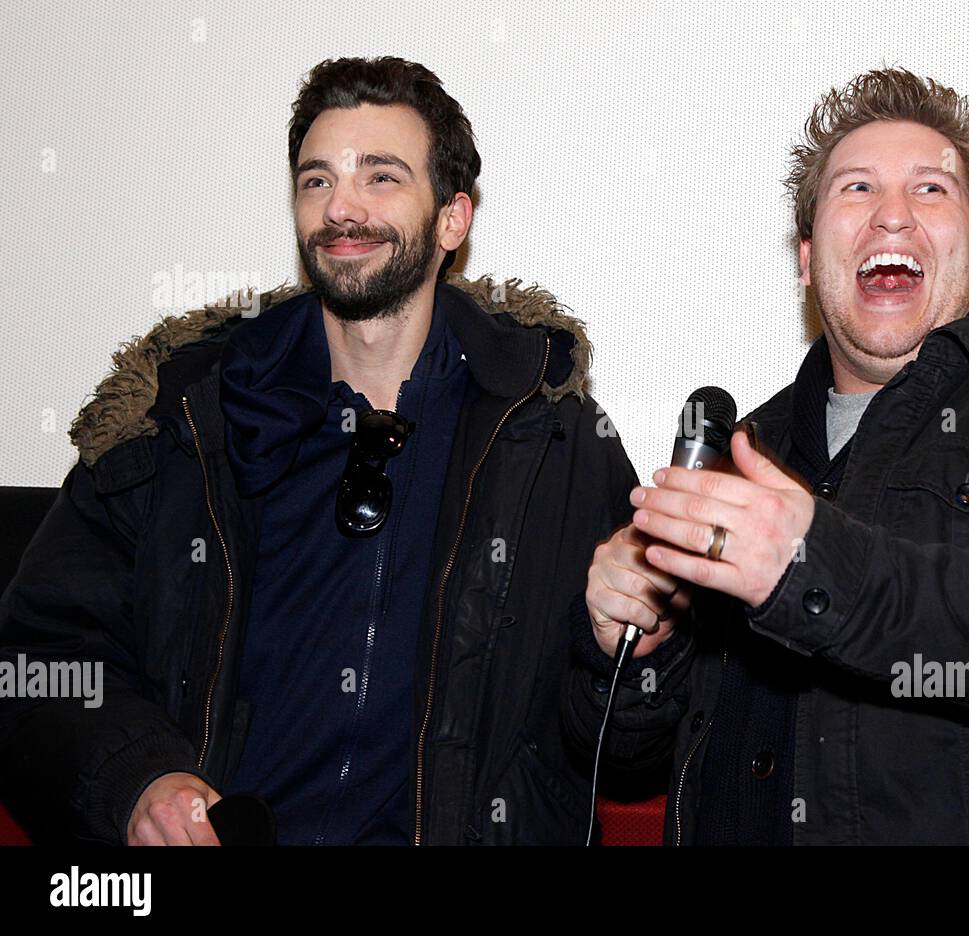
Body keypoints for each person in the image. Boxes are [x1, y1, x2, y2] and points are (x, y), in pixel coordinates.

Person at [564, 66, 969, 845]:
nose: (892, 218)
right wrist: (633, 647)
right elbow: (630, 760)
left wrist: (818, 569)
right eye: (857, 189)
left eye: (932, 191)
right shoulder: (748, 456)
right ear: (808, 259)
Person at [0, 56, 638, 845]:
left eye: (381, 177)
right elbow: (39, 662)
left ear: (452, 220)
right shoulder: (180, 420)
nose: (341, 208)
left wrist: (637, 652)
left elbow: (625, 736)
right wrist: (140, 779)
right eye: (315, 180)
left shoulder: (554, 438)